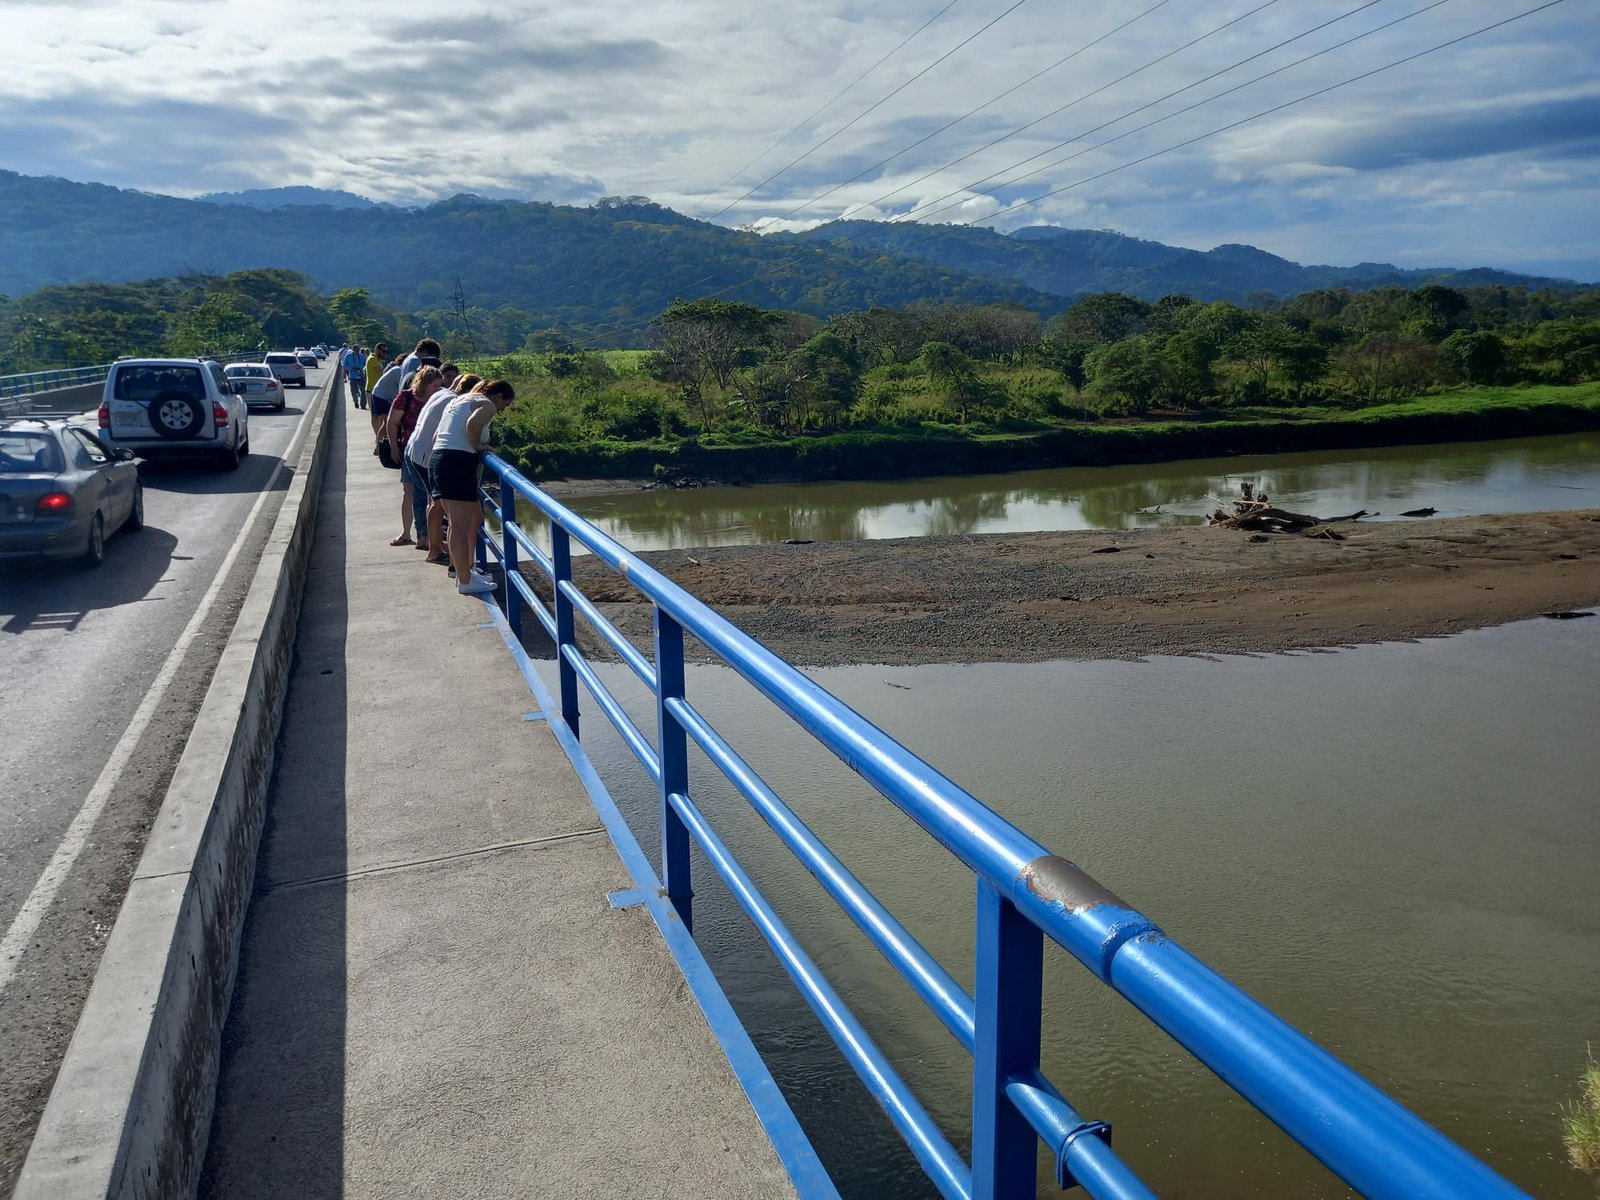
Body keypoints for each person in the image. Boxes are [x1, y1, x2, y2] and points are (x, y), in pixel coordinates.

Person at [429, 379, 515, 595]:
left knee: (455, 525)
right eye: (506, 404)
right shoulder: (487, 405)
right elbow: (473, 425)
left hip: (439, 458)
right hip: (457, 462)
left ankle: (463, 575)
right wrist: (478, 445)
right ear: (499, 396)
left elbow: (436, 435)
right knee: (459, 526)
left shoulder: (460, 400)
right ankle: (466, 582)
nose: (502, 409)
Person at [408, 372, 482, 566]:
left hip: (418, 451)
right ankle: (437, 550)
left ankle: (435, 547)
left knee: (435, 502)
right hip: (427, 453)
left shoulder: (442, 393)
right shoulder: (457, 402)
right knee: (439, 504)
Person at [383, 366, 445, 546]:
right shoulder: (406, 397)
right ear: (424, 383)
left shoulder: (437, 398)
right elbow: (392, 422)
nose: (438, 389)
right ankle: (413, 534)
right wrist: (394, 446)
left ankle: (425, 536)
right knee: (411, 492)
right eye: (435, 385)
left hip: (430, 453)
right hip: (409, 451)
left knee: (424, 494)